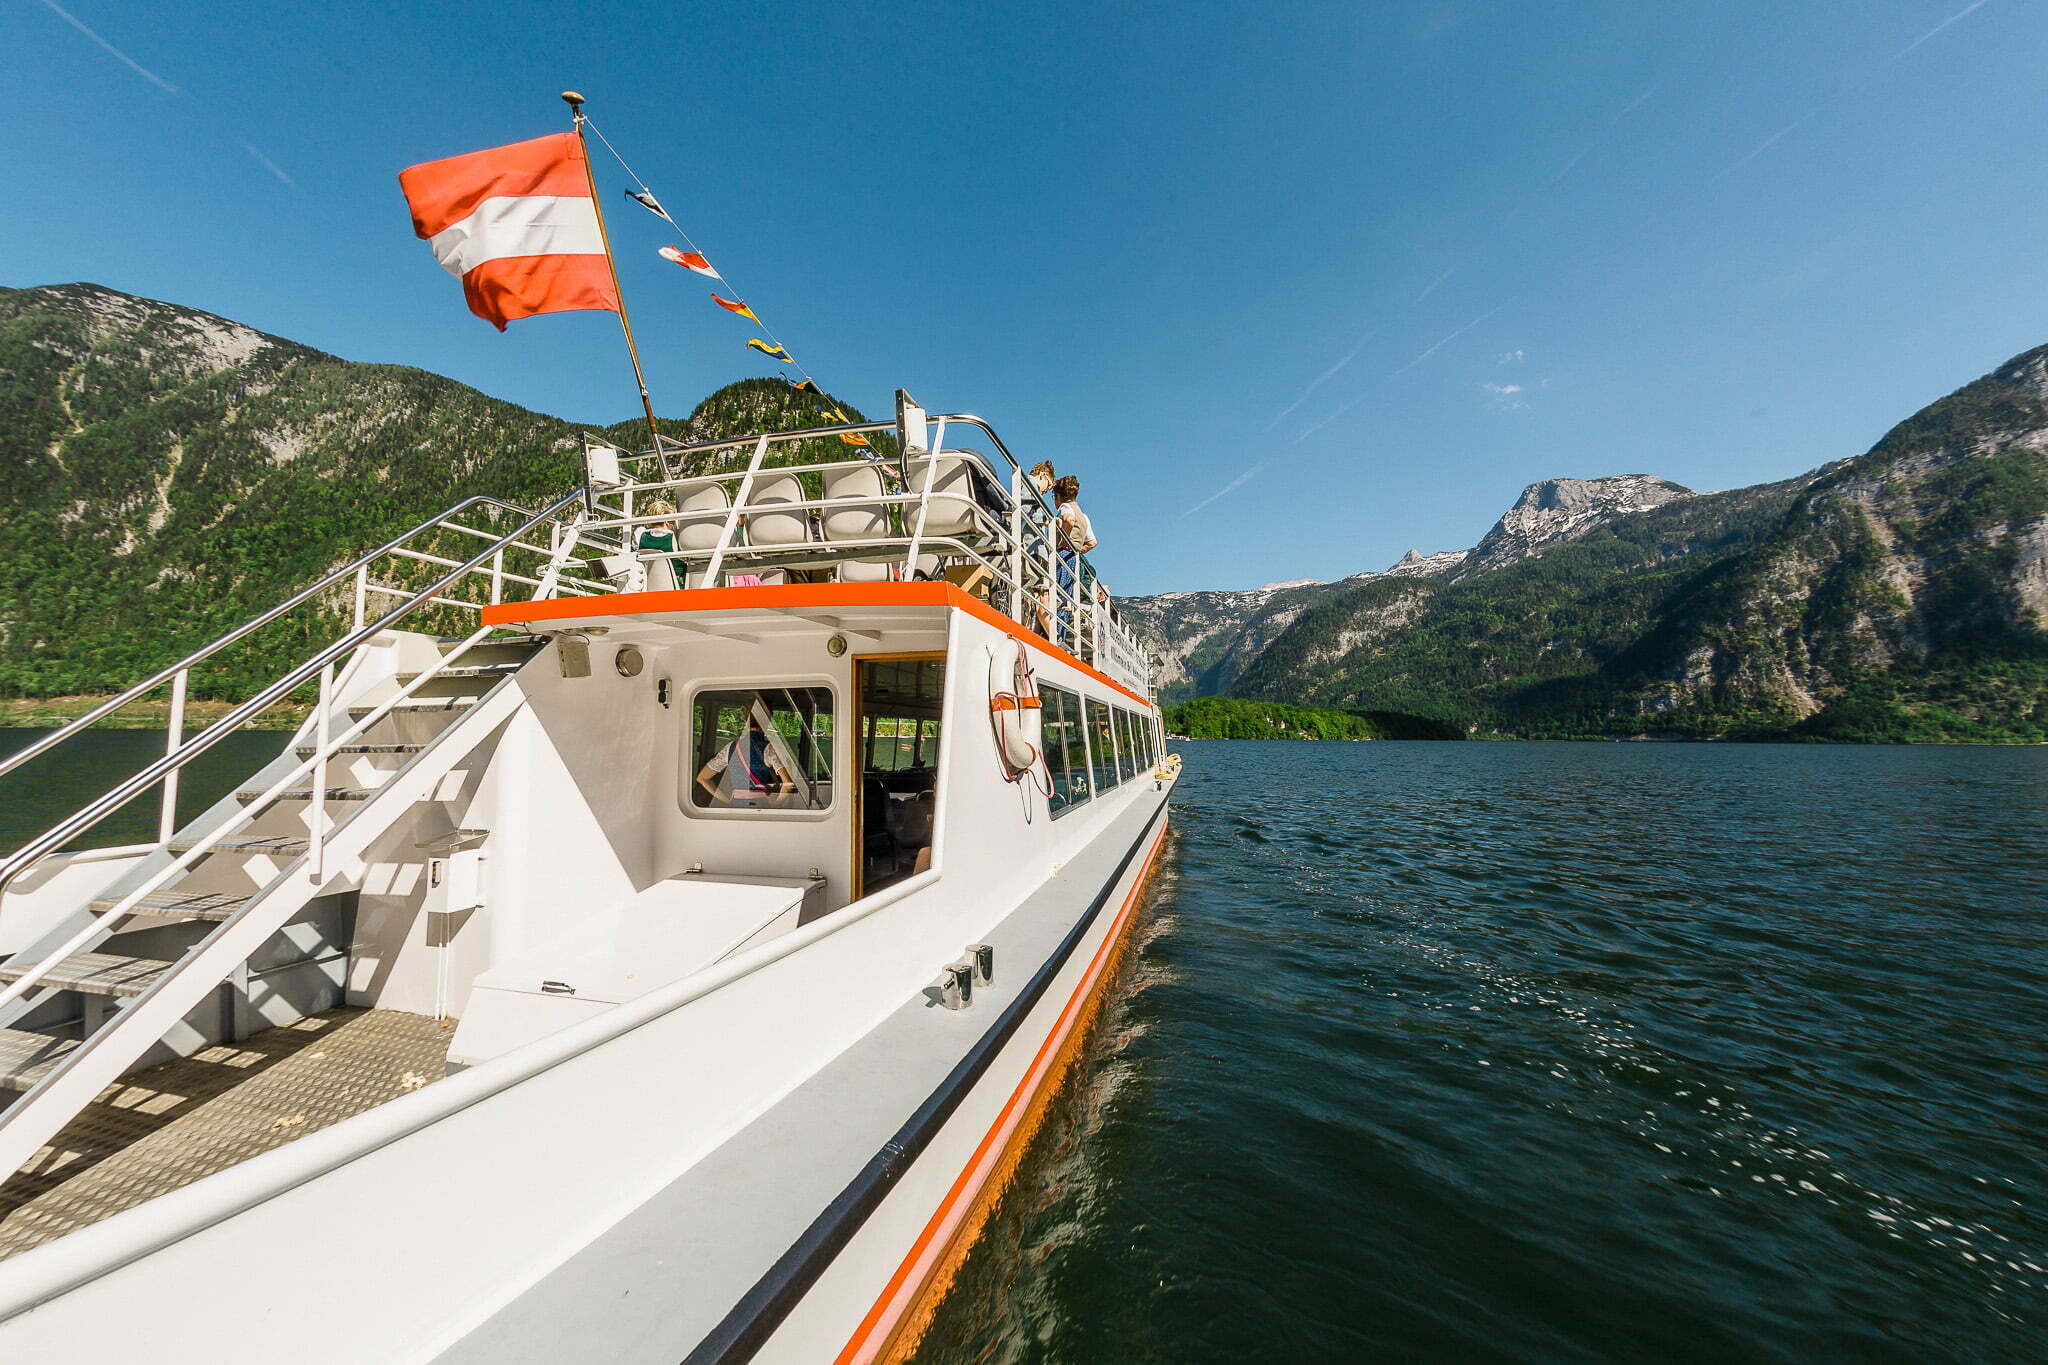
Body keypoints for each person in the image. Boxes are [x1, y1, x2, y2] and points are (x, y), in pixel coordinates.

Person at [695, 713, 797, 808]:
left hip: (736, 805)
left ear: (745, 721)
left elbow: (702, 778)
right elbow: (787, 783)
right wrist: (776, 804)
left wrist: (727, 801)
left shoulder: (730, 747)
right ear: (767, 721)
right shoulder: (769, 748)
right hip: (760, 804)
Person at [1052, 475, 1096, 646]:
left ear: (1059, 496)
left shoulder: (1065, 507)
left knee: (1055, 592)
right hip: (1073, 559)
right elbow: (1092, 542)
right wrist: (1077, 548)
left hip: (1062, 554)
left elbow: (1068, 519)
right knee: (1066, 596)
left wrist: (1064, 541)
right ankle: (1060, 636)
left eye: (1054, 497)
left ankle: (1054, 633)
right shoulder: (1084, 516)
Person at [636, 499, 686, 589]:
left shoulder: (640, 535)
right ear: (667, 521)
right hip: (676, 586)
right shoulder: (675, 538)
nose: (674, 525)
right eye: (673, 522)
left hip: (648, 586)